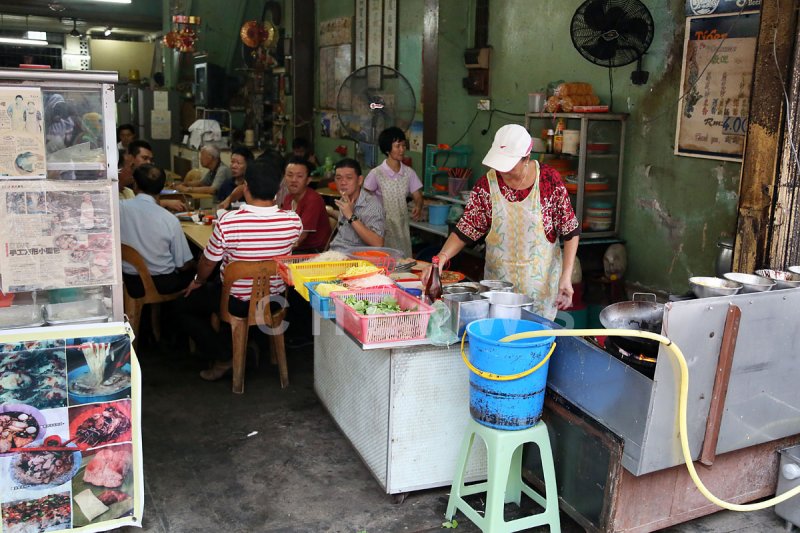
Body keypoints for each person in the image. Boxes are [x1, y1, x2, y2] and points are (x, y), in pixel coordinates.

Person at [429, 124, 580, 320]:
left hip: (539, 292)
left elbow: (570, 231)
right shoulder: (487, 185)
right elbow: (466, 229)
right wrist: (441, 258)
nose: (502, 171)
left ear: (526, 158)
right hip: (497, 292)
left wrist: (566, 277)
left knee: (532, 341)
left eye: (508, 166)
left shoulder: (548, 181)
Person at [178, 159, 303, 381]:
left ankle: (225, 355)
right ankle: (248, 346)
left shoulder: (229, 222)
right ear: (278, 189)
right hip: (274, 300)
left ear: (245, 187)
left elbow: (208, 263)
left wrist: (197, 280)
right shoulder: (293, 222)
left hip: (236, 303)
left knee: (182, 305)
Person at [119, 164, 195, 298]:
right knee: (194, 274)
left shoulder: (119, 208)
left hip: (130, 282)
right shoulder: (169, 219)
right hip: (162, 284)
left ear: (135, 185)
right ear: (161, 188)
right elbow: (182, 265)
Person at [363, 127, 423, 256]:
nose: (402, 150)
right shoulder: (376, 174)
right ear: (387, 149)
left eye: (403, 145)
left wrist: (418, 205)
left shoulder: (409, 173)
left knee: (403, 262)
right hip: (381, 227)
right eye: (397, 146)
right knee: (384, 261)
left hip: (402, 227)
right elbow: (364, 198)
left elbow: (417, 195)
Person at [329, 158, 385, 251]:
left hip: (355, 258)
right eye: (338, 178)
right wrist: (329, 212)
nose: (343, 182)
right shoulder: (344, 198)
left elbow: (378, 243)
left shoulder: (372, 205)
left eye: (349, 178)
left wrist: (350, 216)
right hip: (335, 252)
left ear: (359, 180)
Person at [280, 156, 331, 253]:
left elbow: (300, 238)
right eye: (289, 175)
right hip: (295, 248)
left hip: (312, 252)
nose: (294, 180)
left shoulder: (313, 200)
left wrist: (276, 250)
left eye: (299, 176)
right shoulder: (288, 198)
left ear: (308, 180)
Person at [216, 145, 254, 210]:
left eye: (238, 163)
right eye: (232, 162)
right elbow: (219, 207)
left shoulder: (254, 186)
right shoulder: (226, 184)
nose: (233, 166)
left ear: (248, 165)